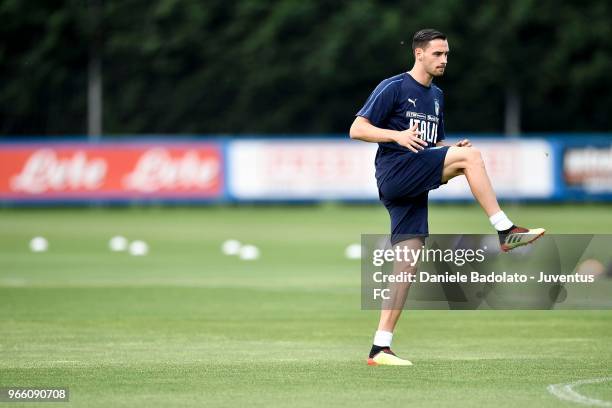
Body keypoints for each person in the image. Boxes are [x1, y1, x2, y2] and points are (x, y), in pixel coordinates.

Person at [349, 28, 545, 366]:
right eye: (438, 54)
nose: (444, 59)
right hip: (396, 174)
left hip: (413, 182)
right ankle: (504, 229)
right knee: (472, 159)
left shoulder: (436, 96)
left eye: (447, 54)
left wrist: (449, 150)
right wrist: (397, 136)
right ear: (419, 54)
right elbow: (357, 128)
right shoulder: (393, 87)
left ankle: (380, 347)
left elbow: (430, 146)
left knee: (406, 266)